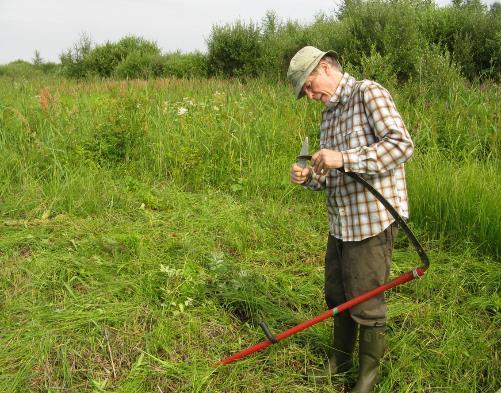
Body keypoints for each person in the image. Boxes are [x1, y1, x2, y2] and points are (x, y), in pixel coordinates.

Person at [287, 46, 414, 393]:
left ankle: (366, 379)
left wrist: (344, 157)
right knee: (337, 294)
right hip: (340, 223)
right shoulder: (328, 116)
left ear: (325, 67)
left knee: (366, 302)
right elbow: (331, 174)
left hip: (371, 221)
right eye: (305, 93)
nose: (310, 96)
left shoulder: (367, 93)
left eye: (310, 86)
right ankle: (339, 362)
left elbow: (402, 146)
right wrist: (308, 177)